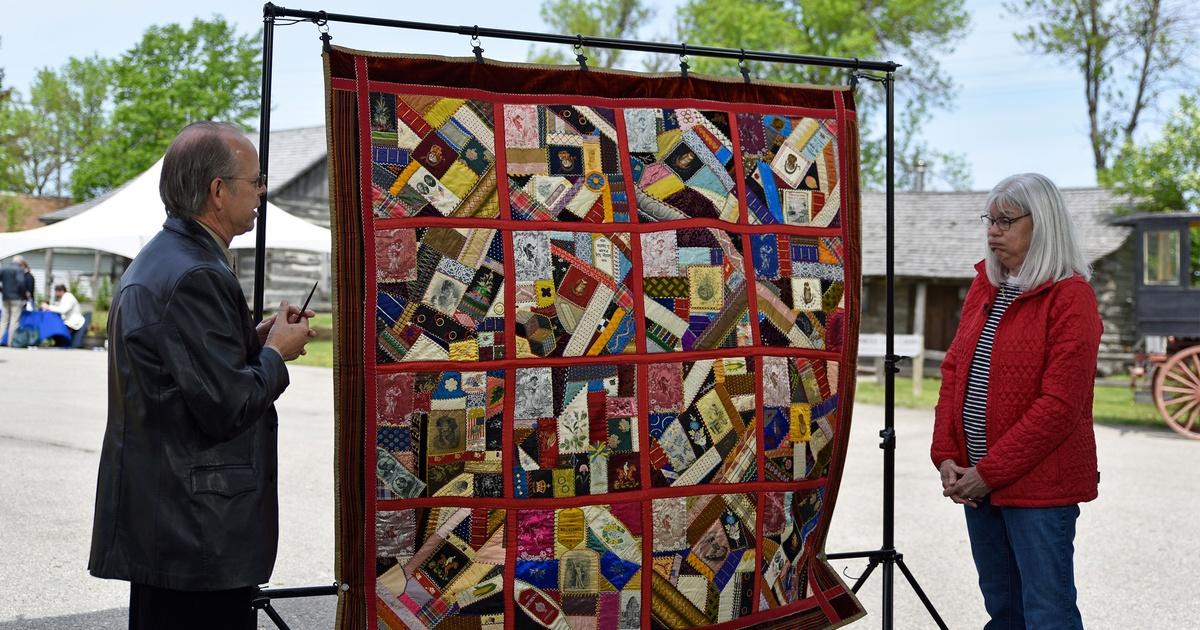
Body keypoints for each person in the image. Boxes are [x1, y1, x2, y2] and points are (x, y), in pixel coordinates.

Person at [88, 121, 316, 630]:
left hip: (174, 523)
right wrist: (276, 354)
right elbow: (227, 405)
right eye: (255, 181)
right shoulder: (195, 272)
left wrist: (251, 343)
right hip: (195, 533)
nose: (262, 192)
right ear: (218, 191)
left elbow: (191, 373)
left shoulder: (171, 258)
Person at [931, 173, 1102, 629]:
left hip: (1038, 490)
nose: (993, 231)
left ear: (1042, 224)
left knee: (1048, 615)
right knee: (1004, 613)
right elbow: (954, 372)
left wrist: (988, 474)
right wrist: (946, 454)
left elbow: (1059, 407)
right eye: (991, 219)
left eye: (1006, 221)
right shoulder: (986, 288)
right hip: (977, 482)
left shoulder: (1071, 297)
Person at [0, 255, 32, 346]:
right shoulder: (19, 270)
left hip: (5, 298)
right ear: (21, 262)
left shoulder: (4, 269)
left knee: (4, 320)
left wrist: (2, 290)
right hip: (16, 298)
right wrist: (24, 295)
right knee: (14, 320)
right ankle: (11, 342)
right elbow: (21, 283)